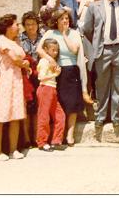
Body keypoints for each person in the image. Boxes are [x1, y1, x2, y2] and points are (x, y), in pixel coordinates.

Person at [81, 0, 119, 141]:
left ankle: (116, 116)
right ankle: (100, 117)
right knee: (101, 85)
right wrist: (96, 45)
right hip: (103, 49)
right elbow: (87, 29)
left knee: (118, 84)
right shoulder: (95, 6)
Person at [39, 9, 85, 146]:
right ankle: (56, 134)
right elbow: (39, 49)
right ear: (56, 21)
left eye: (67, 18)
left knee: (71, 104)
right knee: (57, 104)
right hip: (54, 71)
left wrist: (65, 34)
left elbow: (74, 50)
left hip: (70, 70)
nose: (65, 21)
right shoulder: (49, 33)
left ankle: (69, 135)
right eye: (62, 19)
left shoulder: (74, 33)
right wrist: (50, 59)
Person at [0, 14, 29, 160]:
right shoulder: (2, 41)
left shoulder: (15, 42)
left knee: (16, 115)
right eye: (16, 24)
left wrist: (23, 63)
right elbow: (15, 59)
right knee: (1, 116)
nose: (18, 27)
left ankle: (13, 149)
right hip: (4, 80)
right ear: (8, 27)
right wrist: (24, 64)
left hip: (16, 80)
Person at [35, 38, 66, 152]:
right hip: (45, 88)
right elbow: (41, 77)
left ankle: (56, 141)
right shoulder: (44, 61)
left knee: (60, 115)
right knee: (44, 116)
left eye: (56, 50)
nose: (55, 52)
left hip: (52, 89)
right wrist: (56, 74)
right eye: (53, 50)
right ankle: (42, 142)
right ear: (46, 50)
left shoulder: (51, 61)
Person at [19, 11, 42, 147]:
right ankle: (27, 138)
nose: (31, 27)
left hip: (40, 75)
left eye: (33, 24)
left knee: (37, 108)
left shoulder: (43, 38)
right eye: (27, 24)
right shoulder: (20, 39)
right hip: (26, 76)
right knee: (27, 108)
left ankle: (36, 137)